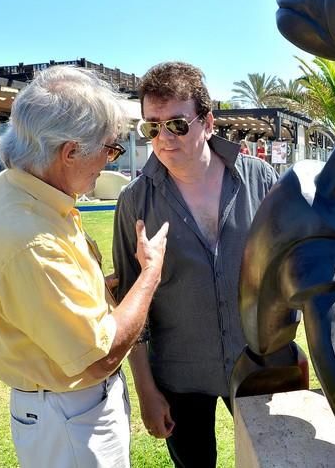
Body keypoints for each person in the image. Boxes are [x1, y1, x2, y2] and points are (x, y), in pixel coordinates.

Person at [0, 66, 170, 468]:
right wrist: (149, 275)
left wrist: (95, 288)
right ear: (70, 152)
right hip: (72, 418)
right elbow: (100, 355)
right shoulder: (31, 241)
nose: (110, 159)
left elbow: (41, 297)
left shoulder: (20, 189)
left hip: (60, 410)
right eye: (110, 149)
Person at [112, 61, 278, 468]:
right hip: (179, 377)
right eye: (152, 127)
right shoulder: (135, 201)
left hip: (259, 366)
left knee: (271, 460)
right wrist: (147, 392)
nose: (164, 138)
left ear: (208, 122)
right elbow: (129, 307)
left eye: (177, 124)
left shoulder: (262, 180)